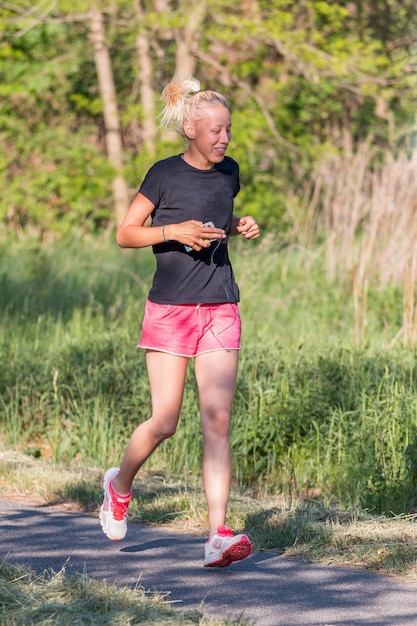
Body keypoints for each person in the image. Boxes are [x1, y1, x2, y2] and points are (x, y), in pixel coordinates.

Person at [99, 77, 260, 568]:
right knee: (166, 421)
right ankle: (119, 485)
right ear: (191, 129)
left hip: (218, 306)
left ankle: (217, 534)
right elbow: (126, 234)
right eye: (215, 130)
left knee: (217, 420)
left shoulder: (230, 172)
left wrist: (238, 224)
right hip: (169, 309)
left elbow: (218, 215)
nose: (224, 138)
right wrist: (174, 231)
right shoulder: (163, 174)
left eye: (228, 129)